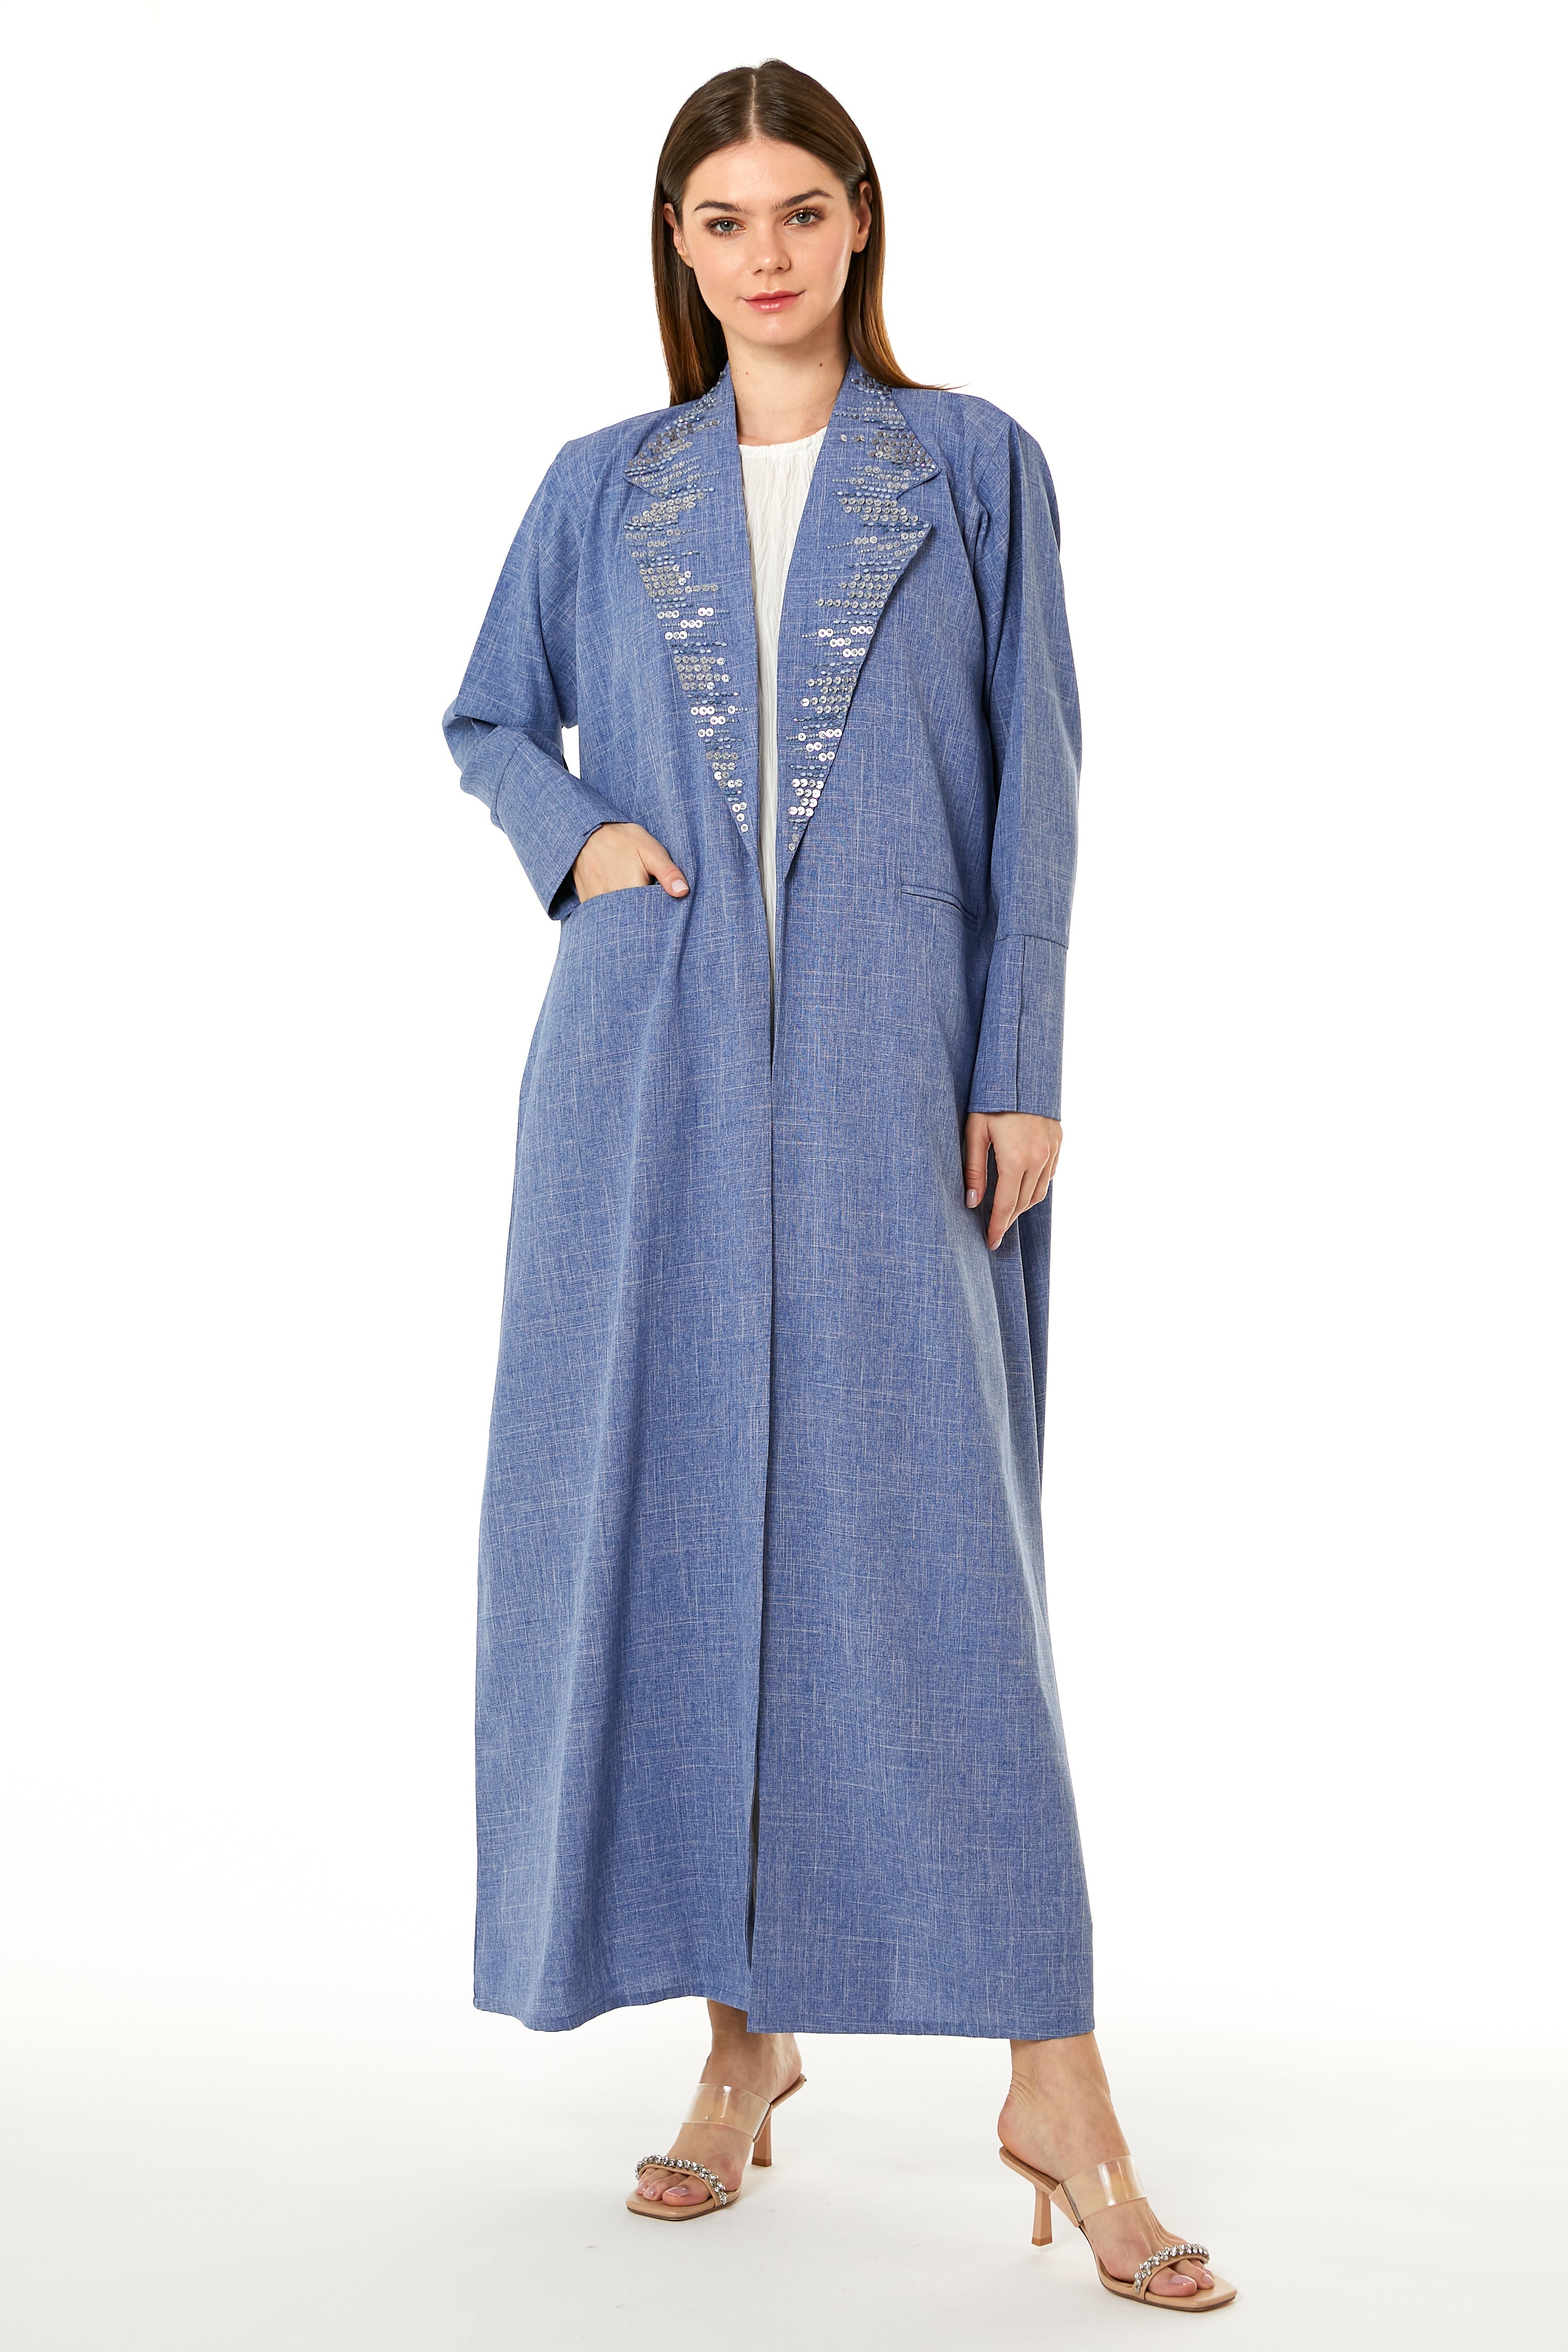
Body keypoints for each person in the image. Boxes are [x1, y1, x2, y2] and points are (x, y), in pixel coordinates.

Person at [442, 57, 1234, 2313]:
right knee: (677, 1518)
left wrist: (1021, 1059)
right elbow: (485, 717)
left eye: (800, 208)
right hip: (648, 1072)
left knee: (932, 1552)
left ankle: (1054, 2077)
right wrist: (579, 839)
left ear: (860, 221)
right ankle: (739, 2044)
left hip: (906, 1077)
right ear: (676, 247)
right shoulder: (602, 489)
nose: (764, 252)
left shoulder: (969, 467)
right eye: (721, 219)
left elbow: (1041, 780)